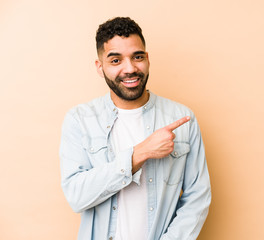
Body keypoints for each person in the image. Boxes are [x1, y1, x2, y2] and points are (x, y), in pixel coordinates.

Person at [60, 17, 211, 240]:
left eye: (137, 57)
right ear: (99, 67)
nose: (130, 69)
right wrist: (140, 154)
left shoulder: (182, 118)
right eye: (115, 60)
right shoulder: (79, 120)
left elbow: (198, 198)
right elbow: (76, 196)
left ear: (147, 59)